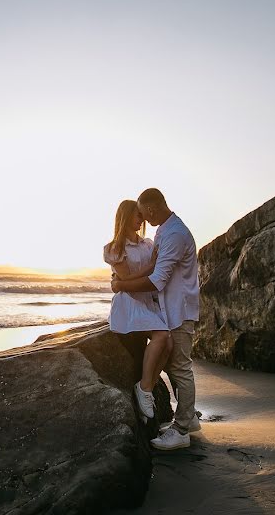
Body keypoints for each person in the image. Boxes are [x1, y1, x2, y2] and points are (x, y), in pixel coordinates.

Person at [111, 188, 200, 450]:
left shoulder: (173, 234)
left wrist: (122, 286)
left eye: (143, 213)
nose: (143, 220)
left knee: (181, 368)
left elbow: (157, 279)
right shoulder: (165, 229)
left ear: (150, 209)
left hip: (179, 309)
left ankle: (182, 428)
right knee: (175, 365)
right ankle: (189, 417)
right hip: (169, 307)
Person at [104, 199, 173, 422]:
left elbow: (151, 275)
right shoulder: (115, 248)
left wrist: (150, 272)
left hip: (147, 301)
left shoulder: (147, 244)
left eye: (142, 215)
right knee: (162, 335)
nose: (141, 219)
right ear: (124, 217)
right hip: (129, 303)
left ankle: (146, 389)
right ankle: (144, 389)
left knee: (168, 343)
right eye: (137, 215)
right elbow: (125, 279)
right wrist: (150, 269)